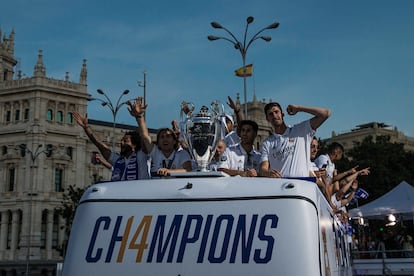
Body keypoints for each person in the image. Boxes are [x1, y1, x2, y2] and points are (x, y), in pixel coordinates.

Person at [259, 102, 331, 178]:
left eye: (276, 112)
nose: (274, 115)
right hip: (281, 186)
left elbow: (326, 113)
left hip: (302, 185)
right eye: (270, 114)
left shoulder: (300, 130)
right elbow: (263, 169)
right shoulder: (267, 143)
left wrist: (299, 108)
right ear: (267, 119)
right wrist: (268, 173)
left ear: (282, 114)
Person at [73, 112, 149, 181]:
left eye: (125, 141)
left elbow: (145, 138)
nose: (121, 143)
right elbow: (99, 144)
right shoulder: (117, 160)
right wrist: (86, 127)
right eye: (121, 140)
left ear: (134, 145)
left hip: (136, 195)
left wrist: (139, 116)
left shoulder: (141, 156)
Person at [128, 97, 192, 177]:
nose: (165, 139)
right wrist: (139, 116)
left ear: (174, 141)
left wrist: (170, 171)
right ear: (158, 143)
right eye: (162, 137)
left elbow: (188, 170)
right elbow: (145, 136)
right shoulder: (155, 152)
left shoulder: (182, 154)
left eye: (168, 136)